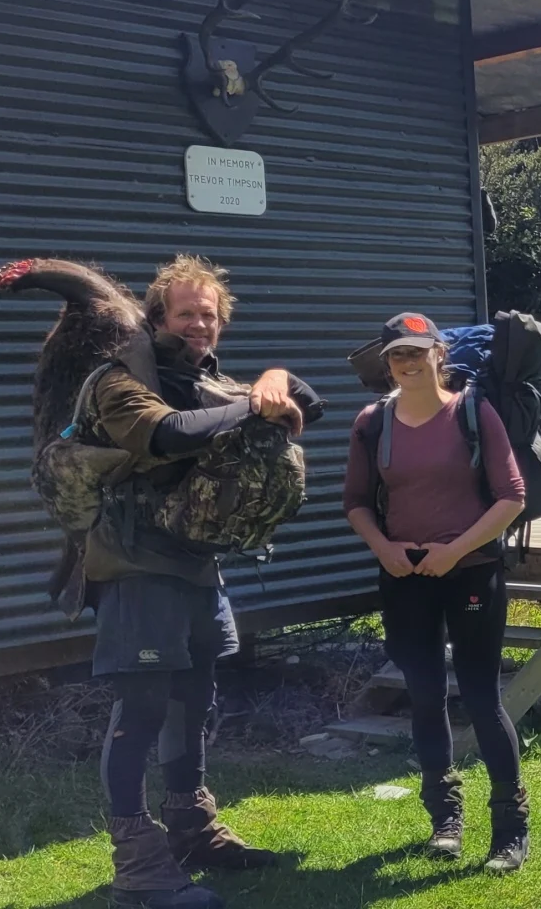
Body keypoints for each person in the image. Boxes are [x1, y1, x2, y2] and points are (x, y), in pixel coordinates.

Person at [86, 254, 324, 909]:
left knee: (192, 705)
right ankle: (135, 864)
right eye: (186, 313)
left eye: (210, 315)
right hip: (136, 571)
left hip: (195, 569)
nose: (199, 324)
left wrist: (276, 378)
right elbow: (163, 436)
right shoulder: (120, 382)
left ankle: (192, 833)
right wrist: (256, 402)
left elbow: (311, 403)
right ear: (159, 316)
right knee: (140, 711)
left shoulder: (214, 383)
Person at [342, 312, 531, 872]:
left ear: (438, 356)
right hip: (404, 577)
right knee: (423, 695)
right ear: (387, 361)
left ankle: (509, 830)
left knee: (479, 697)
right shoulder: (373, 423)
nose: (407, 362)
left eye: (418, 352)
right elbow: (355, 500)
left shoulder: (474, 412)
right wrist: (383, 548)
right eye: (397, 353)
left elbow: (511, 495)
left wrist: (455, 549)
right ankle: (445, 820)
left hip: (472, 572)